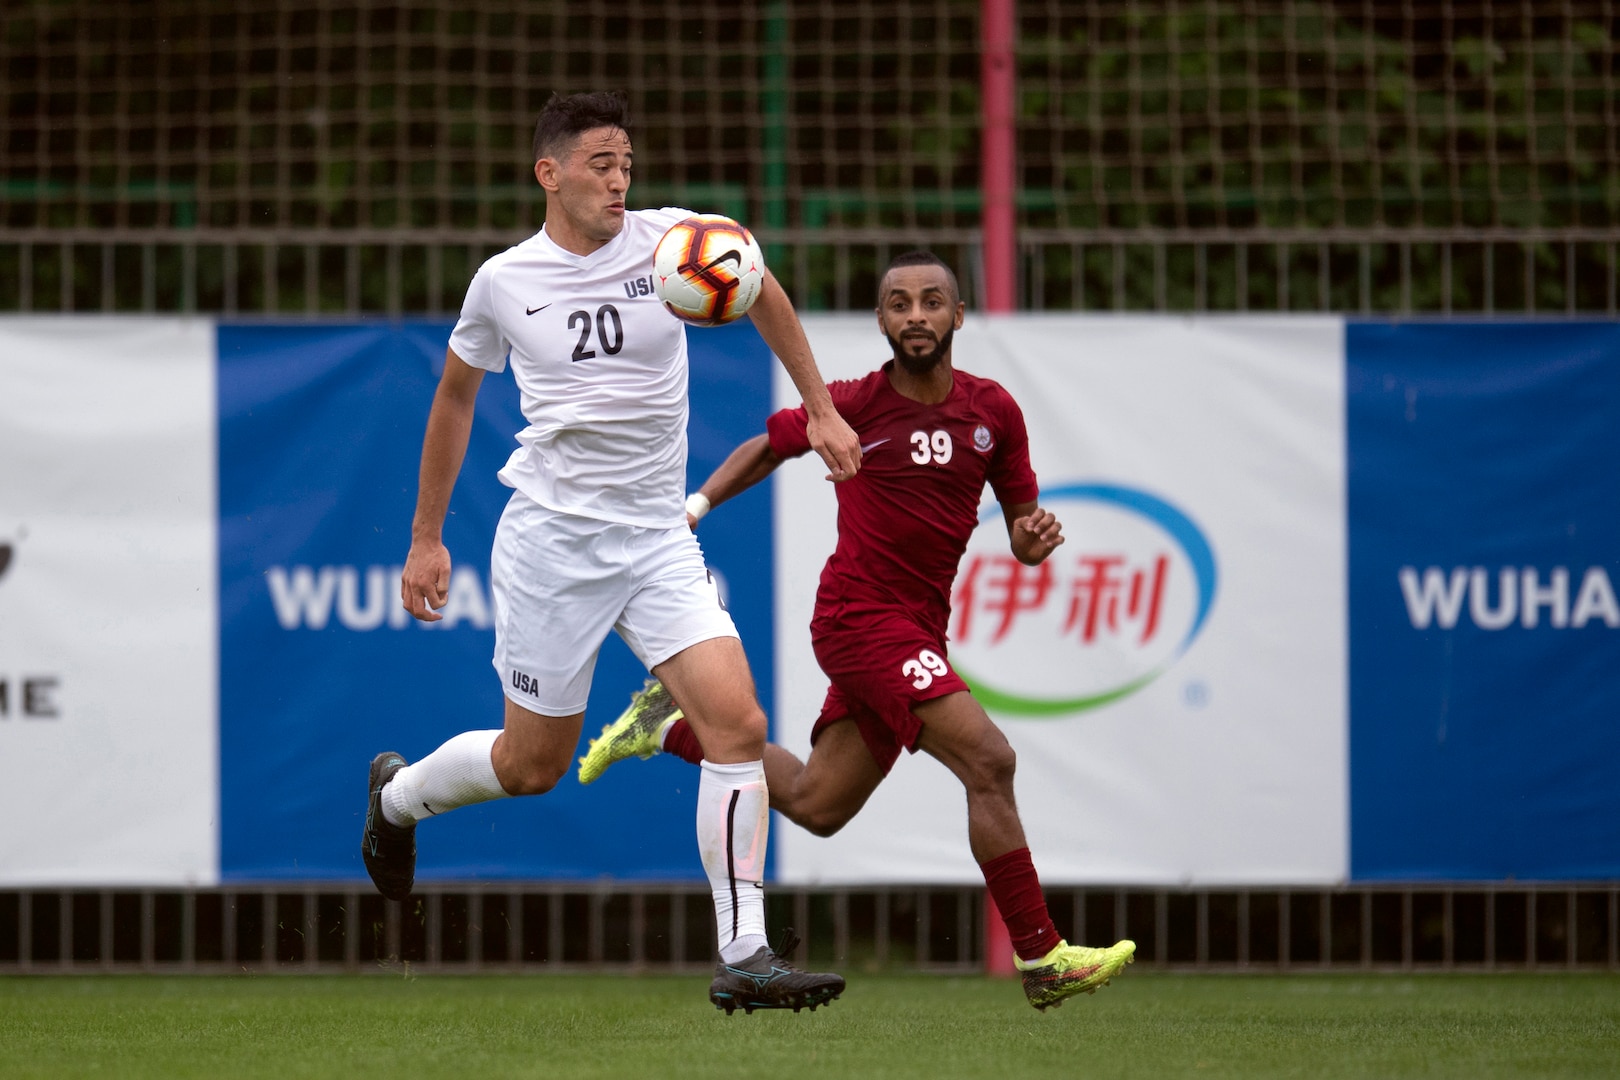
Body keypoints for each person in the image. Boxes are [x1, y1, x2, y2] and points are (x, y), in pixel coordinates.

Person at [360, 91, 860, 1015]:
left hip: (658, 537)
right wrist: (427, 538)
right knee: (531, 766)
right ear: (549, 174)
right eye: (600, 162)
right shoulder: (504, 281)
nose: (619, 178)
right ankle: (397, 800)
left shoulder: (677, 242)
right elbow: (456, 399)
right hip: (553, 545)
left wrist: (821, 408)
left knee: (738, 724)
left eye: (626, 160)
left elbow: (766, 290)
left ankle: (746, 951)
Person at [578, 250, 1136, 1012]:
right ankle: (1042, 957)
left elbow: (1022, 534)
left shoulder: (994, 412)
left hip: (918, 630)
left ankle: (671, 725)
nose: (915, 315)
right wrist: (694, 508)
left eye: (932, 302)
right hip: (858, 619)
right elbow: (767, 447)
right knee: (990, 760)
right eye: (899, 303)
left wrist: (1034, 538)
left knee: (817, 804)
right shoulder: (852, 404)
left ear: (957, 316)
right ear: (881, 320)